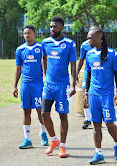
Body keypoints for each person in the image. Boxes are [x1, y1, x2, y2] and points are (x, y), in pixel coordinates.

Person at [84, 26, 117, 165]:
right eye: (88, 38)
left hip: (107, 94)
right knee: (96, 125)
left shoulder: (112, 54)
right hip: (93, 94)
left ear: (99, 36)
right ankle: (98, 153)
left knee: (109, 123)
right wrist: (86, 93)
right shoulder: (89, 54)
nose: (88, 40)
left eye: (91, 37)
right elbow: (88, 75)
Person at [41, 16, 76, 158]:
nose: (52, 29)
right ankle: (53, 140)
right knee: (44, 113)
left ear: (61, 27)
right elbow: (44, 58)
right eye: (50, 27)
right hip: (48, 85)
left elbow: (73, 65)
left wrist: (73, 84)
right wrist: (44, 75)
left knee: (63, 116)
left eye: (55, 27)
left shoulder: (69, 44)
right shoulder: (45, 42)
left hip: (62, 86)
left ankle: (62, 147)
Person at [13, 25, 48, 149]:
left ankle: (43, 132)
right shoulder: (20, 49)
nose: (26, 35)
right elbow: (18, 69)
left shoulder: (40, 47)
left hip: (38, 83)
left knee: (40, 110)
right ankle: (27, 139)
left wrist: (45, 78)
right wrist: (15, 86)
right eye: (25, 33)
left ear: (34, 34)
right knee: (26, 110)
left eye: (28, 33)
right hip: (25, 84)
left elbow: (45, 63)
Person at [76, 39, 92, 129]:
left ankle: (97, 117)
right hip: (87, 72)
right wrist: (76, 73)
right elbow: (81, 59)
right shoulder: (84, 45)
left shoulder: (101, 44)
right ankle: (87, 119)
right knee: (85, 93)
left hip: (98, 73)